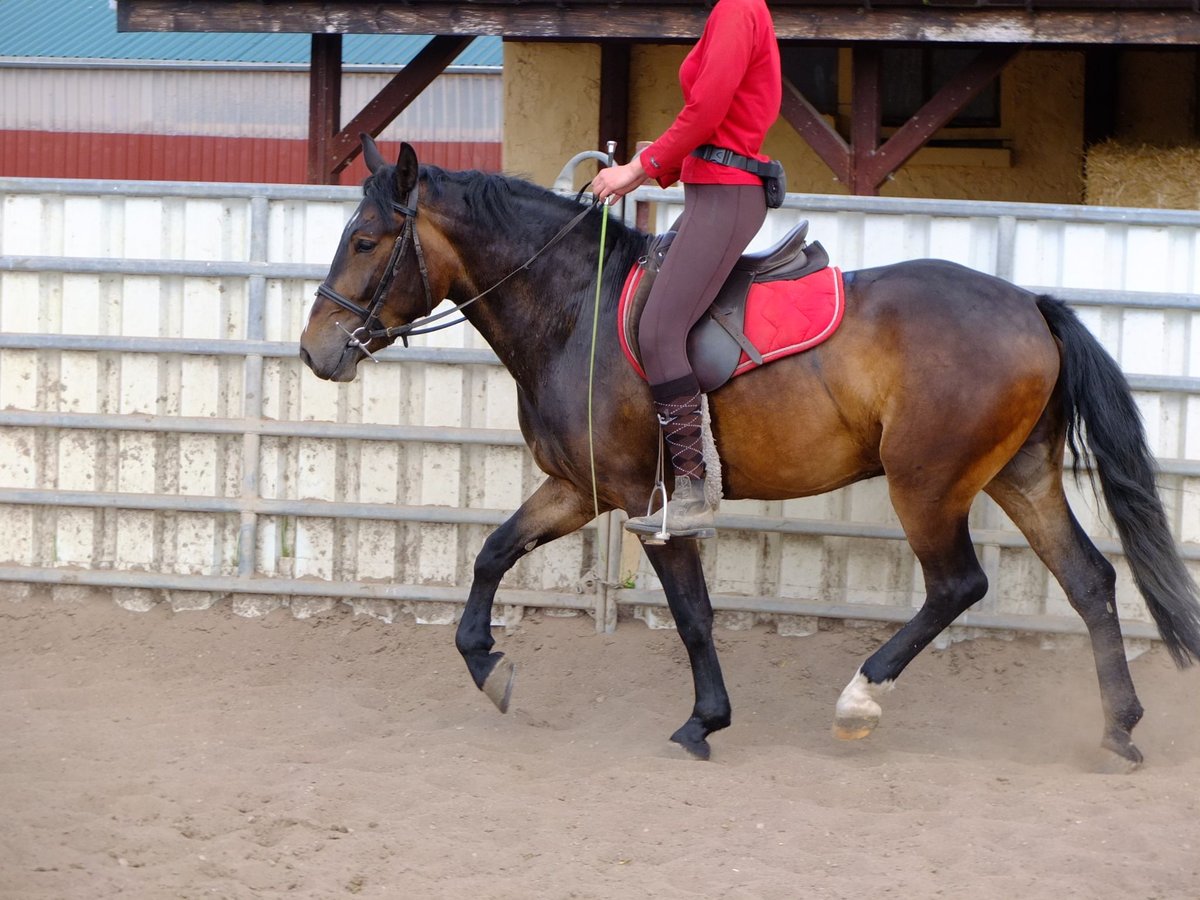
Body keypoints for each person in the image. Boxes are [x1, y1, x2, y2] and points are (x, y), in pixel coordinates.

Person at [590, 0, 781, 540]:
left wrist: (637, 169)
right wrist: (661, 166)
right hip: (710, 190)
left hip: (726, 196)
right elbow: (707, 121)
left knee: (658, 329)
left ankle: (694, 492)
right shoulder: (735, 12)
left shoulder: (736, 9)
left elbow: (706, 112)